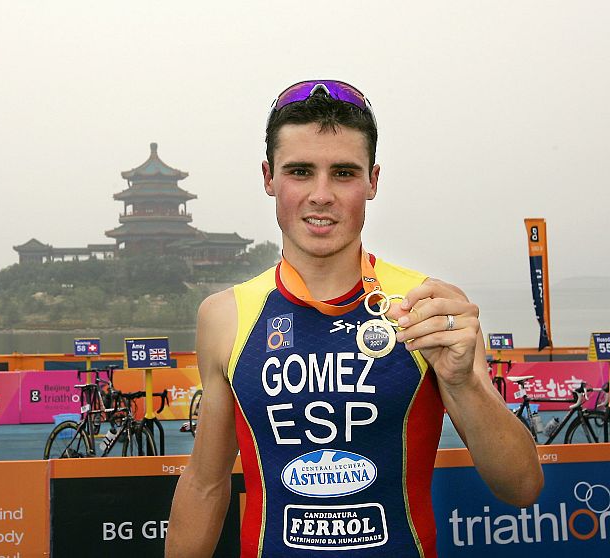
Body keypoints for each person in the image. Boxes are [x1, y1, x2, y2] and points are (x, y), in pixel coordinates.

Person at [165, 80, 543, 557]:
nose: (321, 195)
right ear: (268, 177)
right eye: (300, 171)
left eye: (343, 173)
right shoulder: (226, 315)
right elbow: (205, 484)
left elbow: (521, 487)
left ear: (372, 181)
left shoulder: (425, 306)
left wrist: (464, 383)